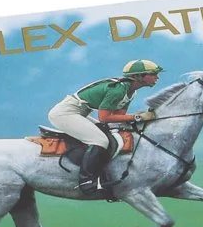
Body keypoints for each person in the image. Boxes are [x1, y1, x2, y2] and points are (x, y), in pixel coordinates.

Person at [47, 60, 162, 195]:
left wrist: (137, 118)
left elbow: (119, 116)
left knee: (108, 134)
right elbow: (105, 118)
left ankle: (101, 175)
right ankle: (85, 181)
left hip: (79, 112)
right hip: (64, 114)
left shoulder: (131, 92)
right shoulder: (118, 90)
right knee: (100, 141)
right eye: (152, 74)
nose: (157, 77)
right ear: (138, 76)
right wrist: (138, 117)